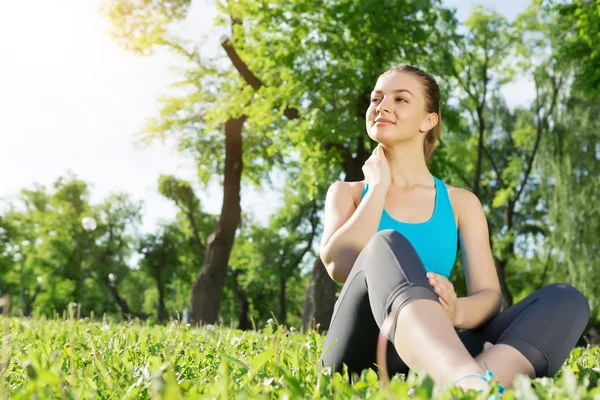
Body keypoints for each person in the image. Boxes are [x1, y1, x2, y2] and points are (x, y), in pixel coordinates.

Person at [318, 64, 590, 392]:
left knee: (566, 300)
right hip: (360, 359)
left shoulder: (461, 203)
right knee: (386, 242)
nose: (382, 106)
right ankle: (467, 382)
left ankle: (472, 385)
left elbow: (489, 297)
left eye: (400, 99)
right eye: (377, 98)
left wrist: (456, 309)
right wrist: (377, 188)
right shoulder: (347, 193)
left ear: (428, 120)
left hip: (440, 351)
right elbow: (339, 266)